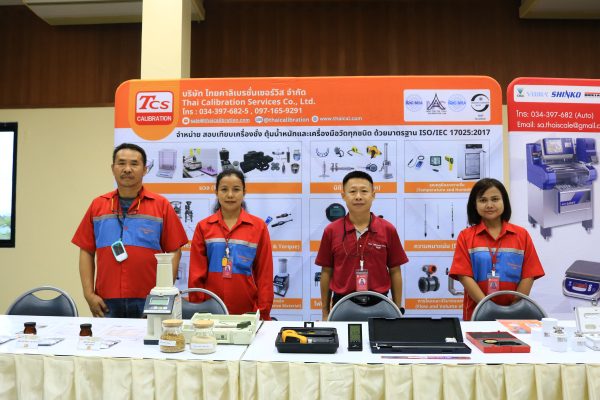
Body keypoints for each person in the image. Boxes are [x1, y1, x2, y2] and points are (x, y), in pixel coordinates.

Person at [72, 143, 188, 318]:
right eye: (121, 163)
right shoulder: (98, 205)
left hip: (149, 298)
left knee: (149, 337)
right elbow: (86, 251)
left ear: (145, 170)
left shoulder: (161, 205)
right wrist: (88, 294)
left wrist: (163, 293)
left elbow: (174, 251)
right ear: (113, 168)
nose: (127, 169)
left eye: (134, 164)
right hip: (106, 299)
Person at [315, 171, 408, 320]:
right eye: (352, 191)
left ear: (373, 195)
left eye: (364, 191)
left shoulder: (387, 229)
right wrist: (325, 313)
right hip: (342, 304)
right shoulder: (331, 231)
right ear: (343, 195)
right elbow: (326, 272)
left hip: (380, 303)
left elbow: (395, 271)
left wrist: (396, 310)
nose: (358, 196)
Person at [449, 178, 545, 321]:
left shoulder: (521, 235)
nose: (489, 205)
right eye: (483, 200)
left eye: (495, 199)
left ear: (504, 201)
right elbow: (464, 276)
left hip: (515, 314)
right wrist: (486, 307)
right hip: (477, 313)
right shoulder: (466, 236)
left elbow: (529, 275)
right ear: (474, 205)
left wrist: (513, 308)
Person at [188, 170, 274, 320]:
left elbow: (264, 275)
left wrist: (262, 312)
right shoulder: (203, 227)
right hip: (210, 311)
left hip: (247, 310)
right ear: (216, 192)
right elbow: (196, 274)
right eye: (224, 189)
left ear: (244, 192)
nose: (230, 195)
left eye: (236, 189)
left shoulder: (258, 227)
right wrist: (199, 308)